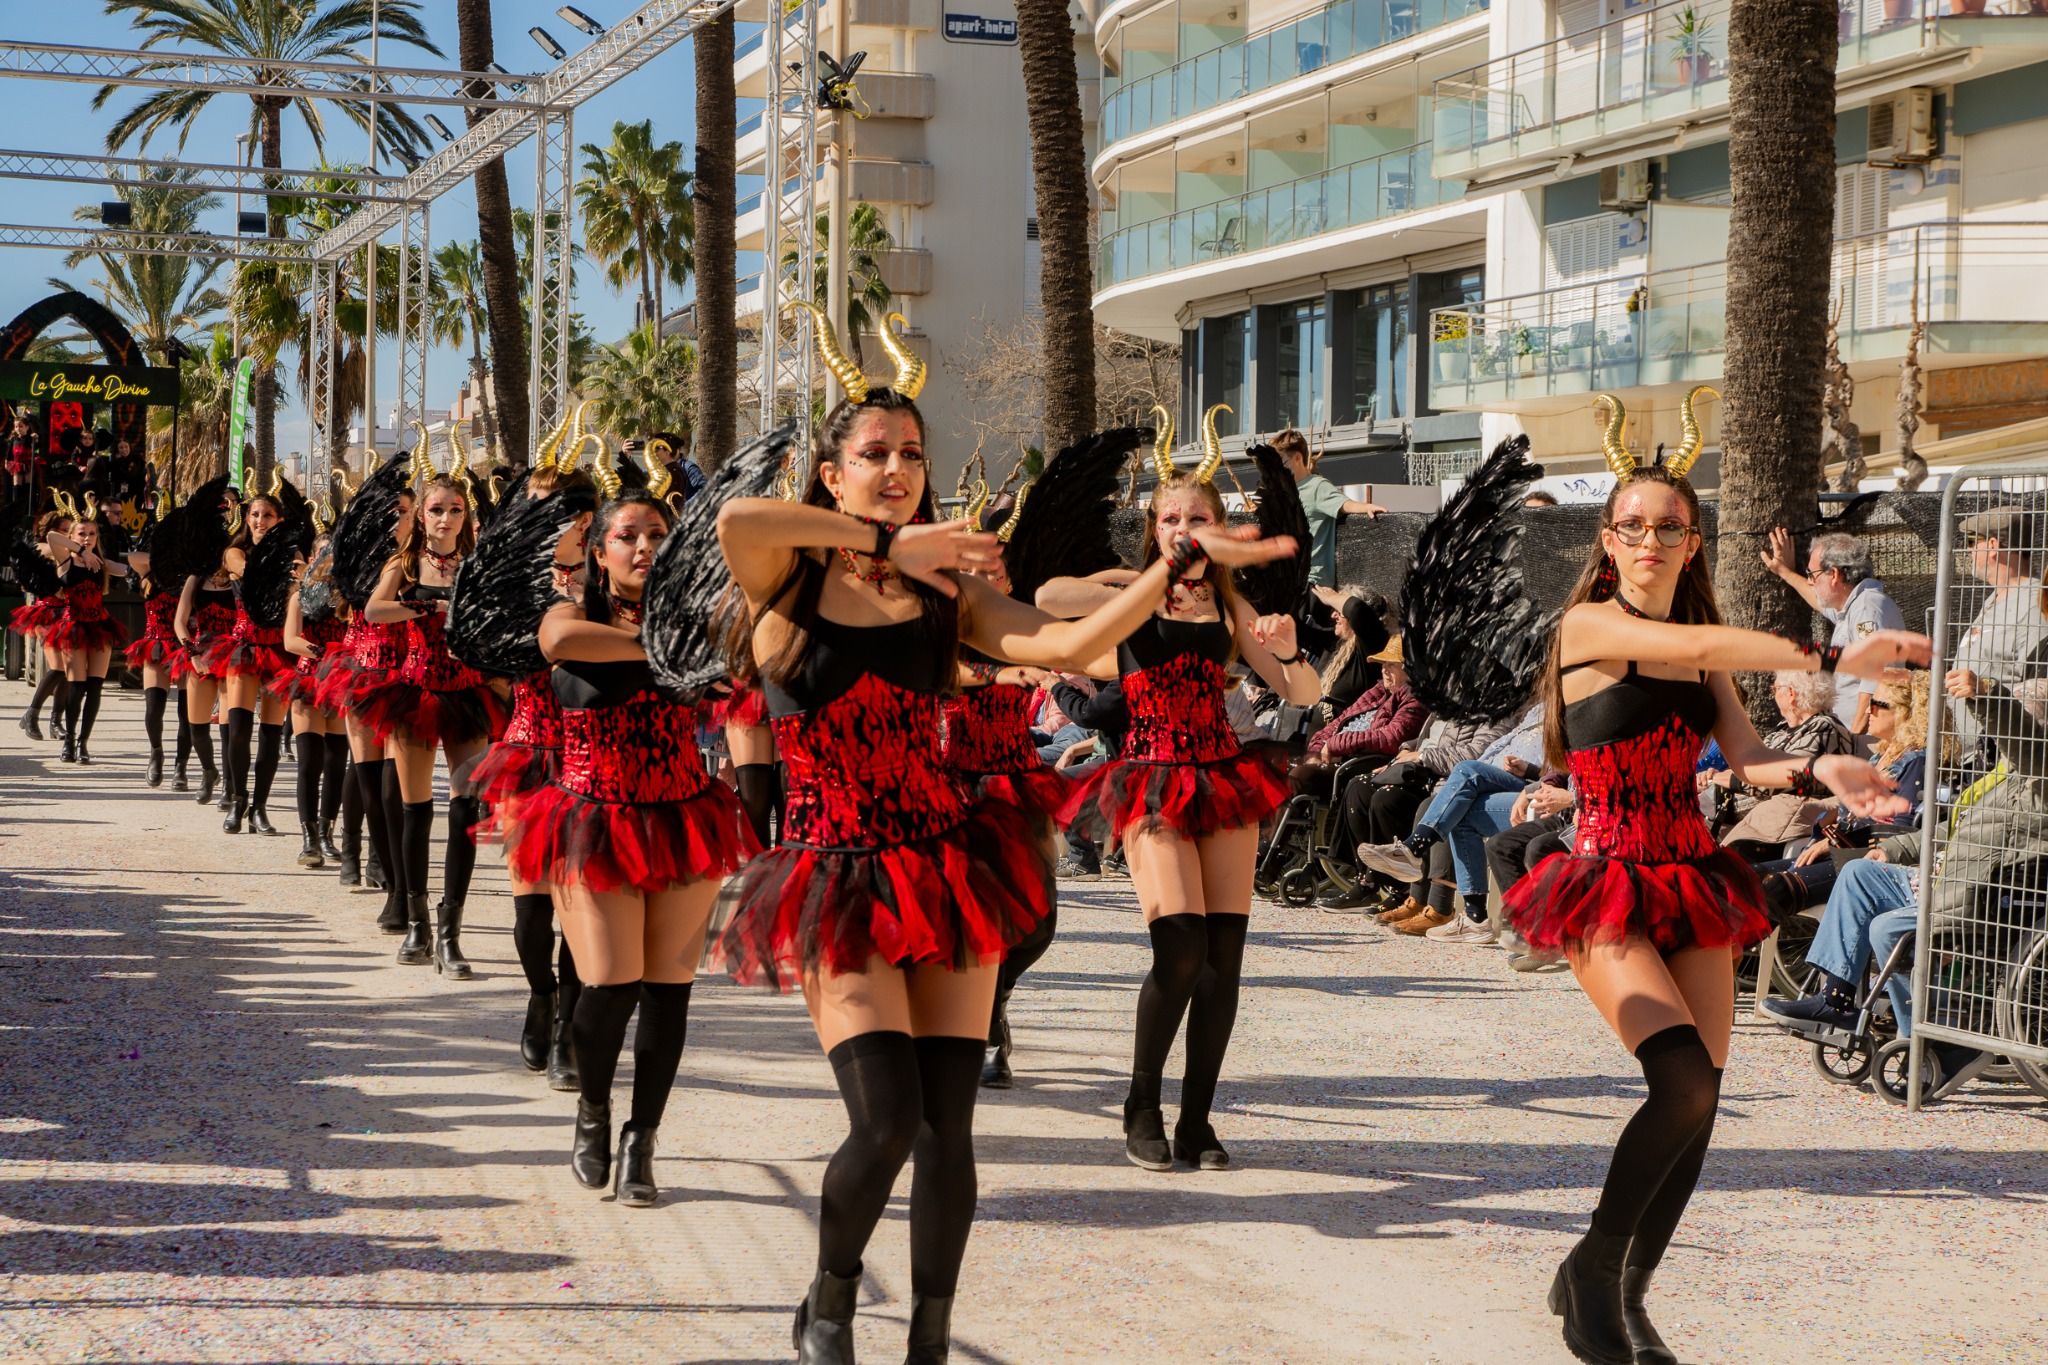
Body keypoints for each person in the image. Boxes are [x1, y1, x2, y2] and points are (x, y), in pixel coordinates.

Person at [709, 315, 1298, 1364]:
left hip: (941, 865)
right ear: (832, 474)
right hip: (835, 873)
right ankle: (831, 1296)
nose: (896, 468)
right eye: (874, 454)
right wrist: (889, 543)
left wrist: (1175, 566)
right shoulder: (786, 582)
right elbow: (741, 519)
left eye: (910, 454)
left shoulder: (950, 595)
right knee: (882, 1122)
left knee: (945, 1131)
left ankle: (929, 1337)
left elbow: (1068, 642)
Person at [1509, 453, 1924, 1365]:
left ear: (1691, 540)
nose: (1651, 540)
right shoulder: (1586, 623)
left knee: (1700, 1100)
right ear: (1607, 539)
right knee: (1683, 1080)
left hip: (1691, 872)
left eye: (1669, 526)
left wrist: (1823, 767)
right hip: (1605, 877)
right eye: (1634, 525)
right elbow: (1695, 651)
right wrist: (1826, 653)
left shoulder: (1701, 637)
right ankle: (1590, 1273)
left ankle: (1628, 1294)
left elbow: (1742, 752)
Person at [1048, 411, 1321, 1177]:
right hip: (1151, 777)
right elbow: (1052, 592)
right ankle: (1140, 1101)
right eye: (1169, 516)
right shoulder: (1136, 591)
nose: (1183, 526)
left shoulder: (1232, 606)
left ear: (1222, 525)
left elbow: (1301, 688)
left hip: (1223, 773)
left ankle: (1197, 1116)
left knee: (1224, 961)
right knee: (1181, 944)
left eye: (1197, 515)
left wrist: (1291, 648)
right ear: (1153, 524)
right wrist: (1145, 575)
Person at [510, 488, 759, 1207]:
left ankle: (641, 1139)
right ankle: (593, 1109)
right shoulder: (569, 613)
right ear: (600, 550)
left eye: (657, 533)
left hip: (684, 813)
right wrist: (666, 650)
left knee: (668, 993)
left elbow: (743, 660)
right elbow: (560, 646)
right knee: (609, 985)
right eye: (628, 535)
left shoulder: (702, 617)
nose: (644, 546)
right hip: (594, 815)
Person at [1761, 669, 2048, 1088]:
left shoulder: (2041, 775)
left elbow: (2022, 736)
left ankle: (1929, 1043)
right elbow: (1947, 831)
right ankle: (1836, 1000)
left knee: (1887, 927)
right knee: (1860, 871)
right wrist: (1891, 850)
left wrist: (1988, 695)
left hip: (1981, 896)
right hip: (1941, 875)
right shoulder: (2004, 778)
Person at [361, 472, 507, 975]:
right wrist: (420, 606)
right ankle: (418, 925)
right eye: (437, 509)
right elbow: (373, 610)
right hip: (415, 692)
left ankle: (451, 933)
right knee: (416, 810)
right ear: (422, 515)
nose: (446, 519)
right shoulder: (405, 563)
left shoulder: (477, 565)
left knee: (465, 809)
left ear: (467, 517)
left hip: (468, 693)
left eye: (455, 510)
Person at [1354, 701, 1547, 938]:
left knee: (1465, 773)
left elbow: (1569, 770)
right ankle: (1475, 918)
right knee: (1457, 811)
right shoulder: (1533, 710)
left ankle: (1414, 852)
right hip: (1500, 781)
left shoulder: (1568, 711)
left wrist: (1530, 772)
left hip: (1535, 790)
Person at [204, 494, 298, 834]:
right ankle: (237, 799)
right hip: (244, 647)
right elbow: (254, 576)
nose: (260, 521)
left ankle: (260, 808)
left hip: (279, 649)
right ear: (247, 520)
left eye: (268, 515)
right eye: (255, 515)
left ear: (279, 520)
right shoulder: (235, 553)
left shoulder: (293, 555)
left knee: (271, 734)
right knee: (239, 730)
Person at [1759, 529, 1904, 734]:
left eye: (1812, 574)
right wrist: (1784, 571)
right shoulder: (1854, 607)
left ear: (1834, 574)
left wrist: (1852, 739)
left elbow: (1875, 677)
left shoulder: (1866, 610)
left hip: (1863, 741)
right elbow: (1818, 601)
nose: (1809, 580)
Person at [278, 537, 352, 867]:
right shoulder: (299, 597)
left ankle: (326, 833)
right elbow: (291, 640)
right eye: (322, 550)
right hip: (308, 680)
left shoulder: (349, 595)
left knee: (337, 762)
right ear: (312, 556)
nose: (328, 558)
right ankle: (308, 839)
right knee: (310, 762)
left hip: (340, 680)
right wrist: (321, 653)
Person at [1948, 506, 2048, 742]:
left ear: (1993, 545)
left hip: (2002, 757)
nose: (1969, 550)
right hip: (1973, 757)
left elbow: (2038, 686)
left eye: (1972, 542)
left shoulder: (2035, 604)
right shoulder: (1996, 597)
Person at [41, 507, 127, 763]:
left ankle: (83, 743)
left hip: (100, 626)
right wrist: (79, 551)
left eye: (92, 534)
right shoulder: (65, 559)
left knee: (96, 687)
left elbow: (124, 568)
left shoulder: (100, 563)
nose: (88, 538)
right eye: (82, 533)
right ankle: (68, 741)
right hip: (73, 627)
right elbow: (52, 538)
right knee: (76, 687)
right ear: (74, 535)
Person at [1274, 427, 1384, 588]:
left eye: (1280, 462)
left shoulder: (1318, 486)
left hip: (1312, 583)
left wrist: (1366, 506)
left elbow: (1344, 503)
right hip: (1289, 581)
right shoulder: (1283, 492)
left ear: (1297, 458)